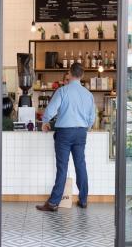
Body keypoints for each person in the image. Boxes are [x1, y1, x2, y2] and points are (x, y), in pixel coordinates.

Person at [36, 63, 95, 212]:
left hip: (64, 133)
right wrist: (84, 127)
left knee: (62, 168)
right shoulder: (88, 94)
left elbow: (50, 111)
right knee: (80, 165)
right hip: (81, 132)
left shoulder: (62, 91)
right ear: (81, 75)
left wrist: (45, 122)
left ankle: (54, 203)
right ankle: (83, 200)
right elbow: (91, 118)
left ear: (69, 74)